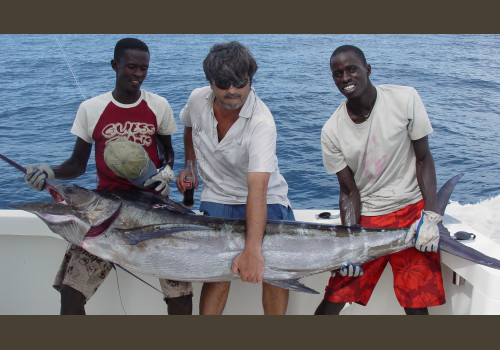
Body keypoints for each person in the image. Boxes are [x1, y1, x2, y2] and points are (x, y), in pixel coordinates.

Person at [24, 37, 193, 315]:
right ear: (115, 65)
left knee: (180, 298)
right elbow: (77, 165)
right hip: (105, 212)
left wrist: (166, 171)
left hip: (155, 209)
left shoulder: (158, 105)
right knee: (71, 293)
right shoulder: (91, 108)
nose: (138, 74)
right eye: (131, 67)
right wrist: (50, 171)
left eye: (143, 68)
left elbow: (167, 152)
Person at [315, 45, 445, 315]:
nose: (345, 78)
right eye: (337, 74)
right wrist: (350, 243)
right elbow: (348, 192)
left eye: (352, 69)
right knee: (334, 299)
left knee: (416, 307)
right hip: (369, 223)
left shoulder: (405, 98)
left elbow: (423, 159)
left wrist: (430, 216)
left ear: (368, 70)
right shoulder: (331, 131)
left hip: (413, 216)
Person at [176, 41, 295, 315]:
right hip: (218, 194)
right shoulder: (197, 99)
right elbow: (188, 124)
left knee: (274, 271)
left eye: (240, 83)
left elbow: (258, 187)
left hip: (266, 195)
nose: (232, 91)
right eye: (223, 83)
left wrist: (253, 250)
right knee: (217, 276)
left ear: (250, 79)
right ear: (210, 82)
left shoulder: (262, 123)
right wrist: (190, 165)